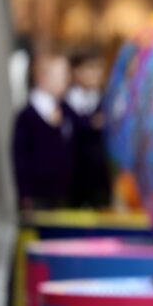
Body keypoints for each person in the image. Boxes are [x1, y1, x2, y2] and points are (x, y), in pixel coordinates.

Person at [12, 53, 76, 210]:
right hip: (37, 194)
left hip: (62, 192)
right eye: (61, 75)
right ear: (42, 78)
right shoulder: (27, 115)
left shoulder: (66, 110)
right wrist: (25, 193)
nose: (66, 80)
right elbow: (20, 158)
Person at [65, 49, 111, 207]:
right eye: (91, 68)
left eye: (99, 69)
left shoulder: (107, 103)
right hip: (70, 184)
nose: (97, 74)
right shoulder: (62, 105)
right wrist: (90, 123)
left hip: (100, 182)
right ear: (76, 72)